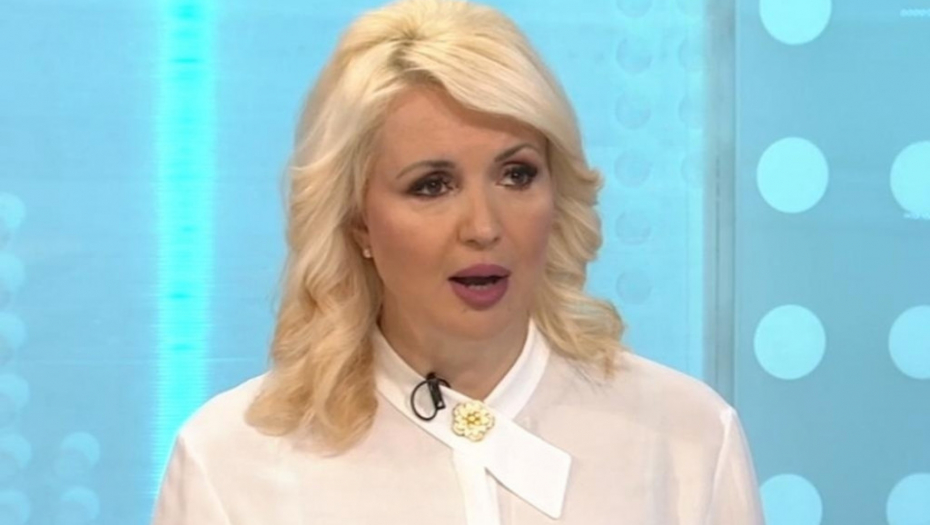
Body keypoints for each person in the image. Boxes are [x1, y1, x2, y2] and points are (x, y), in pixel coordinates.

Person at [151, 0, 764, 523]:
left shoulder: (687, 438)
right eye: (432, 185)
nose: (484, 227)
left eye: (516, 174)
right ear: (358, 219)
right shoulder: (231, 462)